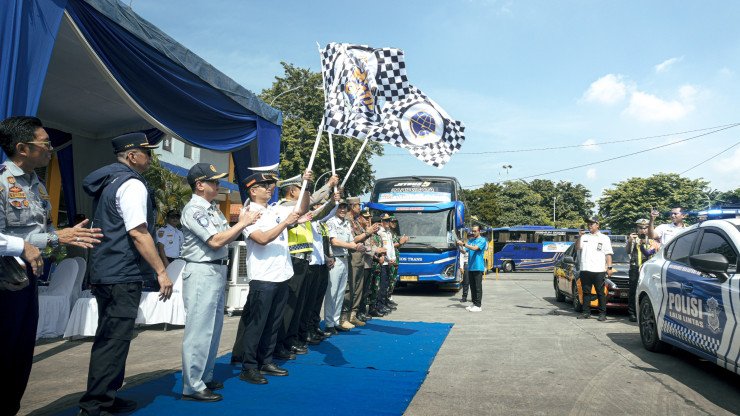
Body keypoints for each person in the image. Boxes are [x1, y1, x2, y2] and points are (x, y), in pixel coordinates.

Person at [0, 116, 102, 416]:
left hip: (28, 279)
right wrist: (51, 238)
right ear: (22, 148)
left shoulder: (37, 184)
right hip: (4, 282)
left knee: (20, 354)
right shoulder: (2, 182)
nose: (51, 149)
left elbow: (38, 232)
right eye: (44, 143)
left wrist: (59, 237)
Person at [79, 132, 173, 415]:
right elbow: (138, 232)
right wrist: (161, 271)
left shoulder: (111, 181)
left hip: (107, 269)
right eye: (147, 152)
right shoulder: (132, 184)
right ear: (132, 156)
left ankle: (107, 395)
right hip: (122, 272)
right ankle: (95, 404)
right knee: (114, 340)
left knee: (112, 337)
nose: (151, 158)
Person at [179, 163, 260, 402]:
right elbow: (215, 241)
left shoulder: (212, 209)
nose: (217, 185)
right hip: (202, 270)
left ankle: (204, 376)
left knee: (213, 329)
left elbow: (227, 236)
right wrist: (242, 223)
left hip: (216, 270)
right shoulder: (194, 210)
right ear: (199, 185)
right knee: (199, 330)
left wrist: (242, 223)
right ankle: (192, 385)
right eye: (213, 181)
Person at [236, 170, 306, 385]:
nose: (269, 189)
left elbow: (302, 209)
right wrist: (285, 223)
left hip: (281, 274)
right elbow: (262, 238)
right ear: (253, 190)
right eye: (265, 186)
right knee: (257, 324)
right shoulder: (249, 213)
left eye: (270, 185)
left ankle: (265, 360)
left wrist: (306, 185)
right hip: (263, 276)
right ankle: (249, 366)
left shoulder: (273, 209)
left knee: (274, 322)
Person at [324, 200, 365, 334]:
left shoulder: (346, 223)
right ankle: (329, 323)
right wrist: (352, 246)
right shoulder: (331, 222)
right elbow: (334, 241)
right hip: (335, 259)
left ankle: (336, 322)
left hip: (345, 258)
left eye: (344, 207)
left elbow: (351, 240)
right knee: (332, 293)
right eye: (339, 207)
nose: (342, 210)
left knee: (341, 292)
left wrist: (358, 245)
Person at [342, 197, 377, 327]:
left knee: (358, 288)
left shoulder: (356, 220)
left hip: (360, 257)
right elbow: (352, 239)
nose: (360, 208)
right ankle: (344, 317)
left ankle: (353, 315)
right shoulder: (347, 220)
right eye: (358, 205)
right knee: (350, 288)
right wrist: (367, 233)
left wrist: (369, 232)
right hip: (352, 256)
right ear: (352, 206)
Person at [575, 217, 613, 322]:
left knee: (600, 293)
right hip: (585, 269)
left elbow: (608, 254)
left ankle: (602, 314)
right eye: (588, 224)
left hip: (599, 270)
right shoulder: (584, 237)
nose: (589, 226)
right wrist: (579, 237)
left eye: (592, 224)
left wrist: (609, 267)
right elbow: (577, 248)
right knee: (586, 292)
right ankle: (586, 312)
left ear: (597, 225)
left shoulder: (604, 238)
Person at [625, 219, 659, 322]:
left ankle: (647, 313)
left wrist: (643, 243)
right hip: (635, 268)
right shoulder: (633, 238)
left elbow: (650, 252)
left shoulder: (653, 239)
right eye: (640, 228)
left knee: (649, 291)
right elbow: (627, 251)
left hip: (649, 270)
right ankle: (632, 313)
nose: (643, 230)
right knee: (633, 291)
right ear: (637, 228)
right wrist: (630, 241)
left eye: (645, 228)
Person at [457, 225, 487, 312]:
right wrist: (458, 246)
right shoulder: (471, 240)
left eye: (475, 231)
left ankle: (478, 305)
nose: (473, 232)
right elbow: (464, 251)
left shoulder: (482, 240)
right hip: (470, 267)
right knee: (472, 287)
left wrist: (464, 244)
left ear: (479, 231)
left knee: (478, 287)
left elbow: (475, 248)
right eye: (472, 231)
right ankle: (474, 303)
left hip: (478, 267)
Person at [387, 216, 408, 308]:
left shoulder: (394, 233)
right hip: (390, 260)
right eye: (392, 222)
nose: (394, 224)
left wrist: (402, 242)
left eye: (395, 222)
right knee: (389, 279)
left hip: (395, 258)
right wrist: (400, 242)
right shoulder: (387, 233)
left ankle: (389, 298)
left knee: (393, 279)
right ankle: (386, 299)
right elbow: (389, 245)